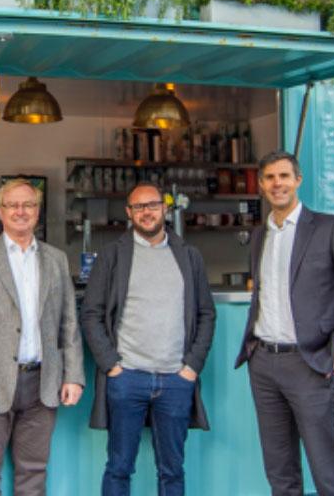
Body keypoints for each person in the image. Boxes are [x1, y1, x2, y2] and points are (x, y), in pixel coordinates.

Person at [234, 151, 334, 496]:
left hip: (311, 363)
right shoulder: (260, 236)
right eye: (270, 178)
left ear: (297, 181)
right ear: (261, 185)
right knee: (280, 471)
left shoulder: (330, 228)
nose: (278, 184)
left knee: (327, 471)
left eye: (284, 176)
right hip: (263, 363)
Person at [80, 182, 216, 496]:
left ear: (165, 208)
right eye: (139, 207)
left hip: (175, 379)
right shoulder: (113, 255)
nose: (146, 212)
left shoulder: (188, 256)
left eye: (152, 205)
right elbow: (91, 313)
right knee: (119, 467)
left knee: (172, 471)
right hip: (127, 377)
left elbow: (206, 314)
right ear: (129, 213)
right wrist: (112, 365)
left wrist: (191, 368)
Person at [0, 177, 85, 496]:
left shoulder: (56, 259)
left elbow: (69, 322)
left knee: (34, 474)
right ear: (0, 212)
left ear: (37, 212)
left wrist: (73, 377)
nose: (20, 211)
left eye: (28, 205)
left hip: (43, 381)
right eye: (13, 205)